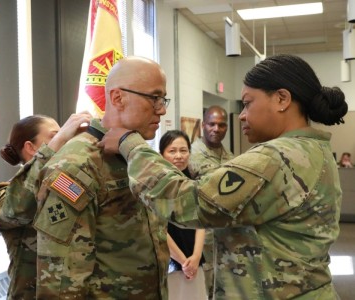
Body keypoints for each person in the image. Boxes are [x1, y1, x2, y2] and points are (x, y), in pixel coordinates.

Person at [100, 54, 347, 299]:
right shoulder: (316, 150)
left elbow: (189, 204)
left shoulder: (275, 158)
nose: (241, 115)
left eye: (248, 103)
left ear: (282, 98)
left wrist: (130, 146)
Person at [17, 56, 170, 298]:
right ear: (118, 98)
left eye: (163, 100)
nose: (161, 109)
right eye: (154, 98)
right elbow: (61, 283)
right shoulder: (77, 165)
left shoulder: (136, 155)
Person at [0, 113, 91, 300]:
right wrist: (58, 143)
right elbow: (19, 207)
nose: (65, 138)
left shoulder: (64, 185)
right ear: (31, 148)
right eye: (55, 135)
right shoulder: (5, 193)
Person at [189, 105, 234, 297]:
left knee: (225, 284)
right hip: (201, 233)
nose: (216, 129)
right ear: (203, 126)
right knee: (203, 285)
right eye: (212, 124)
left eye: (222, 125)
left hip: (226, 233)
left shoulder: (230, 156)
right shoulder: (191, 154)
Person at [159, 130, 206, 299]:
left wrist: (196, 256)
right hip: (171, 263)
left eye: (183, 150)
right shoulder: (157, 187)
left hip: (194, 260)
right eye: (172, 151)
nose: (179, 156)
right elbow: (160, 229)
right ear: (161, 154)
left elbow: (201, 222)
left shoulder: (193, 184)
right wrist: (183, 262)